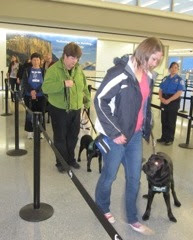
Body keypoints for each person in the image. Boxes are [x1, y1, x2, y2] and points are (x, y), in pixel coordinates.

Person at [94, 37, 164, 235]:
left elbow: (144, 105)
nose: (155, 63)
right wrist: (114, 132)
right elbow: (100, 100)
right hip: (116, 136)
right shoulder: (120, 73)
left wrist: (147, 125)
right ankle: (102, 207)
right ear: (143, 53)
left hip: (134, 136)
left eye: (158, 60)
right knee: (110, 176)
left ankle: (132, 218)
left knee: (135, 179)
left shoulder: (149, 76)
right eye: (153, 59)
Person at [42, 42, 91, 172]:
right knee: (60, 138)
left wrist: (87, 102)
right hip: (59, 109)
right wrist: (63, 83)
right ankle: (61, 162)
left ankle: (70, 159)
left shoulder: (78, 71)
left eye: (77, 59)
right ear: (65, 56)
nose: (74, 61)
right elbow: (45, 88)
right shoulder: (54, 69)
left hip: (75, 109)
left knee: (73, 137)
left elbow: (84, 88)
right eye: (72, 58)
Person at [157, 62, 184, 145]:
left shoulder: (180, 80)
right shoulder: (165, 78)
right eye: (172, 67)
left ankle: (170, 139)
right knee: (164, 120)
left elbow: (179, 92)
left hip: (173, 101)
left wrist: (169, 100)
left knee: (171, 121)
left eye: (176, 67)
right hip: (164, 100)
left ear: (178, 69)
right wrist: (161, 98)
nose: (174, 69)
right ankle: (164, 137)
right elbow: (160, 89)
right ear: (169, 69)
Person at [22, 53, 46, 139]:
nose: (36, 61)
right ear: (31, 61)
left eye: (37, 60)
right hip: (28, 96)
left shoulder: (44, 71)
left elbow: (45, 83)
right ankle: (30, 131)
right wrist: (31, 91)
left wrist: (36, 91)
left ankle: (41, 131)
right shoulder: (27, 70)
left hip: (41, 96)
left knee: (41, 114)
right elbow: (24, 82)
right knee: (29, 113)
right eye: (34, 60)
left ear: (40, 61)